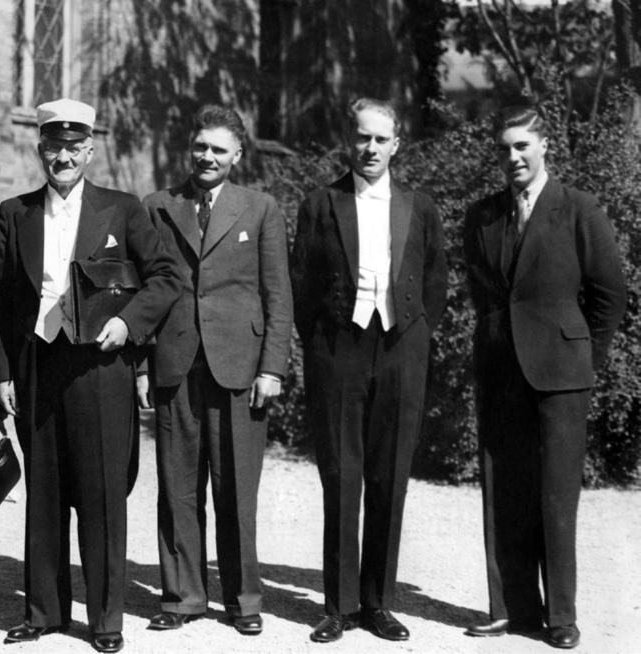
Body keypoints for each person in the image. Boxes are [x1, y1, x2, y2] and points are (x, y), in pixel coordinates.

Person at [0, 98, 181, 654]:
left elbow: (165, 277)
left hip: (100, 365)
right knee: (44, 491)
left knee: (99, 491)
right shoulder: (15, 213)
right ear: (39, 150)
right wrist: (3, 374)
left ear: (90, 150)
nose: (62, 157)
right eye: (53, 147)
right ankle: (44, 612)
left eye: (73, 148)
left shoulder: (122, 209)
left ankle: (104, 620)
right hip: (38, 365)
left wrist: (128, 323)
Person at [462, 106, 626, 650]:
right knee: (504, 492)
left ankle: (561, 617)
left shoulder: (578, 209)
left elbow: (609, 295)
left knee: (555, 496)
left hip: (562, 376)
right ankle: (513, 609)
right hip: (502, 373)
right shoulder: (482, 215)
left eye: (522, 146)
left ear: (545, 145)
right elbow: (485, 296)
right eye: (504, 148)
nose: (513, 158)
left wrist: (586, 359)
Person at [290, 97, 447, 643]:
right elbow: (301, 283)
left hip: (401, 348)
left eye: (381, 139)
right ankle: (339, 605)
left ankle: (378, 601)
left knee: (389, 476)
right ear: (349, 140)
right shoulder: (320, 203)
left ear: (397, 144)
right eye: (363, 137)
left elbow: (435, 282)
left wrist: (413, 335)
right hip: (339, 351)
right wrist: (323, 339)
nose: (371, 148)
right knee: (341, 475)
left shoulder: (419, 206)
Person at [137, 105, 292, 636]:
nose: (207, 156)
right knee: (177, 486)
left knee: (235, 488)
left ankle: (243, 600)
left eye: (219, 149)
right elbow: (143, 293)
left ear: (237, 156)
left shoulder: (260, 208)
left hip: (240, 366)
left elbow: (277, 294)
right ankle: (182, 596)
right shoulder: (159, 206)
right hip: (175, 361)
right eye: (201, 146)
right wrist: (141, 365)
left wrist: (272, 367)